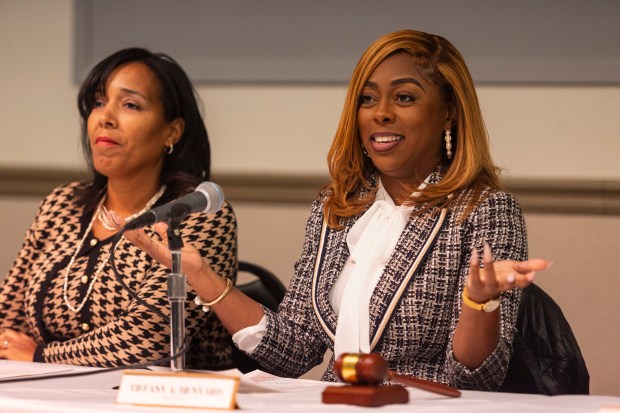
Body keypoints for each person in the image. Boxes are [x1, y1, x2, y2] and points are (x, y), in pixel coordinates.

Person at [122, 30, 550, 390]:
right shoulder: (338, 206)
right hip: (332, 401)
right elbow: (292, 349)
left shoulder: (484, 209)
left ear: (449, 114)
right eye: (367, 99)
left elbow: (477, 377)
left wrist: (479, 302)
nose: (380, 114)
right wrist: (197, 272)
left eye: (403, 98)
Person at [0, 48, 237, 369]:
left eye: (130, 105)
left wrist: (40, 356)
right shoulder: (62, 204)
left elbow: (149, 340)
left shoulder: (197, 214)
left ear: (172, 131)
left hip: (163, 398)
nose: (105, 117)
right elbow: (8, 315)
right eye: (98, 103)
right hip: (46, 393)